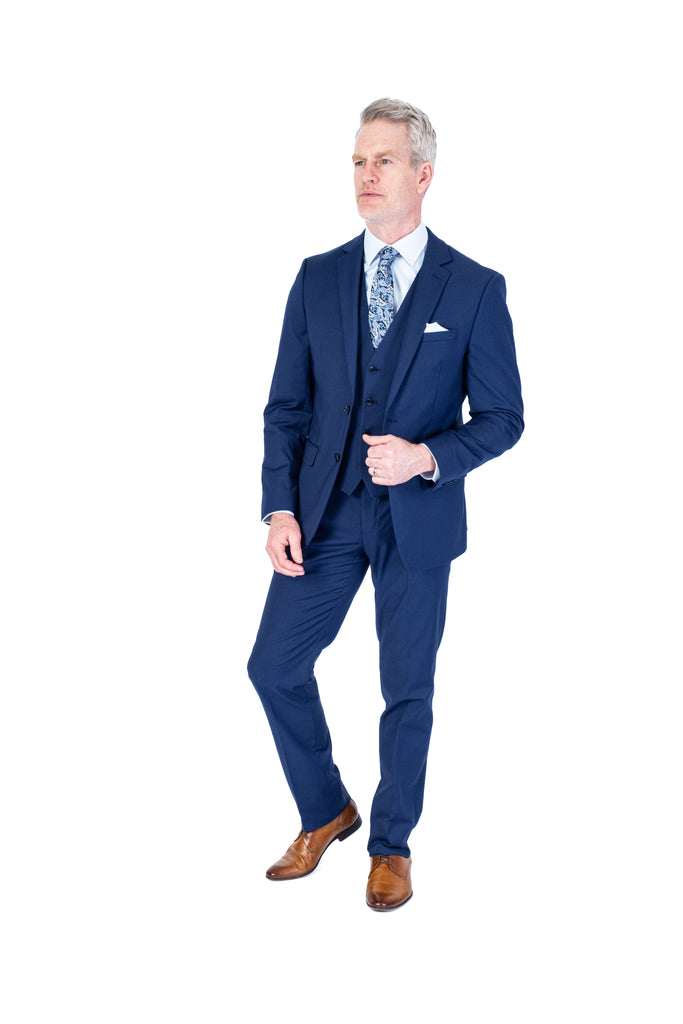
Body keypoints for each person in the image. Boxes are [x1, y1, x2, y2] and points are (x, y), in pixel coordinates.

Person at [248, 98, 524, 911]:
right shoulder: (317, 277)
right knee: (273, 666)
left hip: (417, 521)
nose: (366, 176)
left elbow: (503, 418)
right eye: (358, 162)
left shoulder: (474, 288)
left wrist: (427, 456)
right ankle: (324, 810)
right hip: (325, 514)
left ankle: (391, 845)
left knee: (406, 687)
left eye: (384, 161)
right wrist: (279, 510)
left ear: (423, 174)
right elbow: (285, 409)